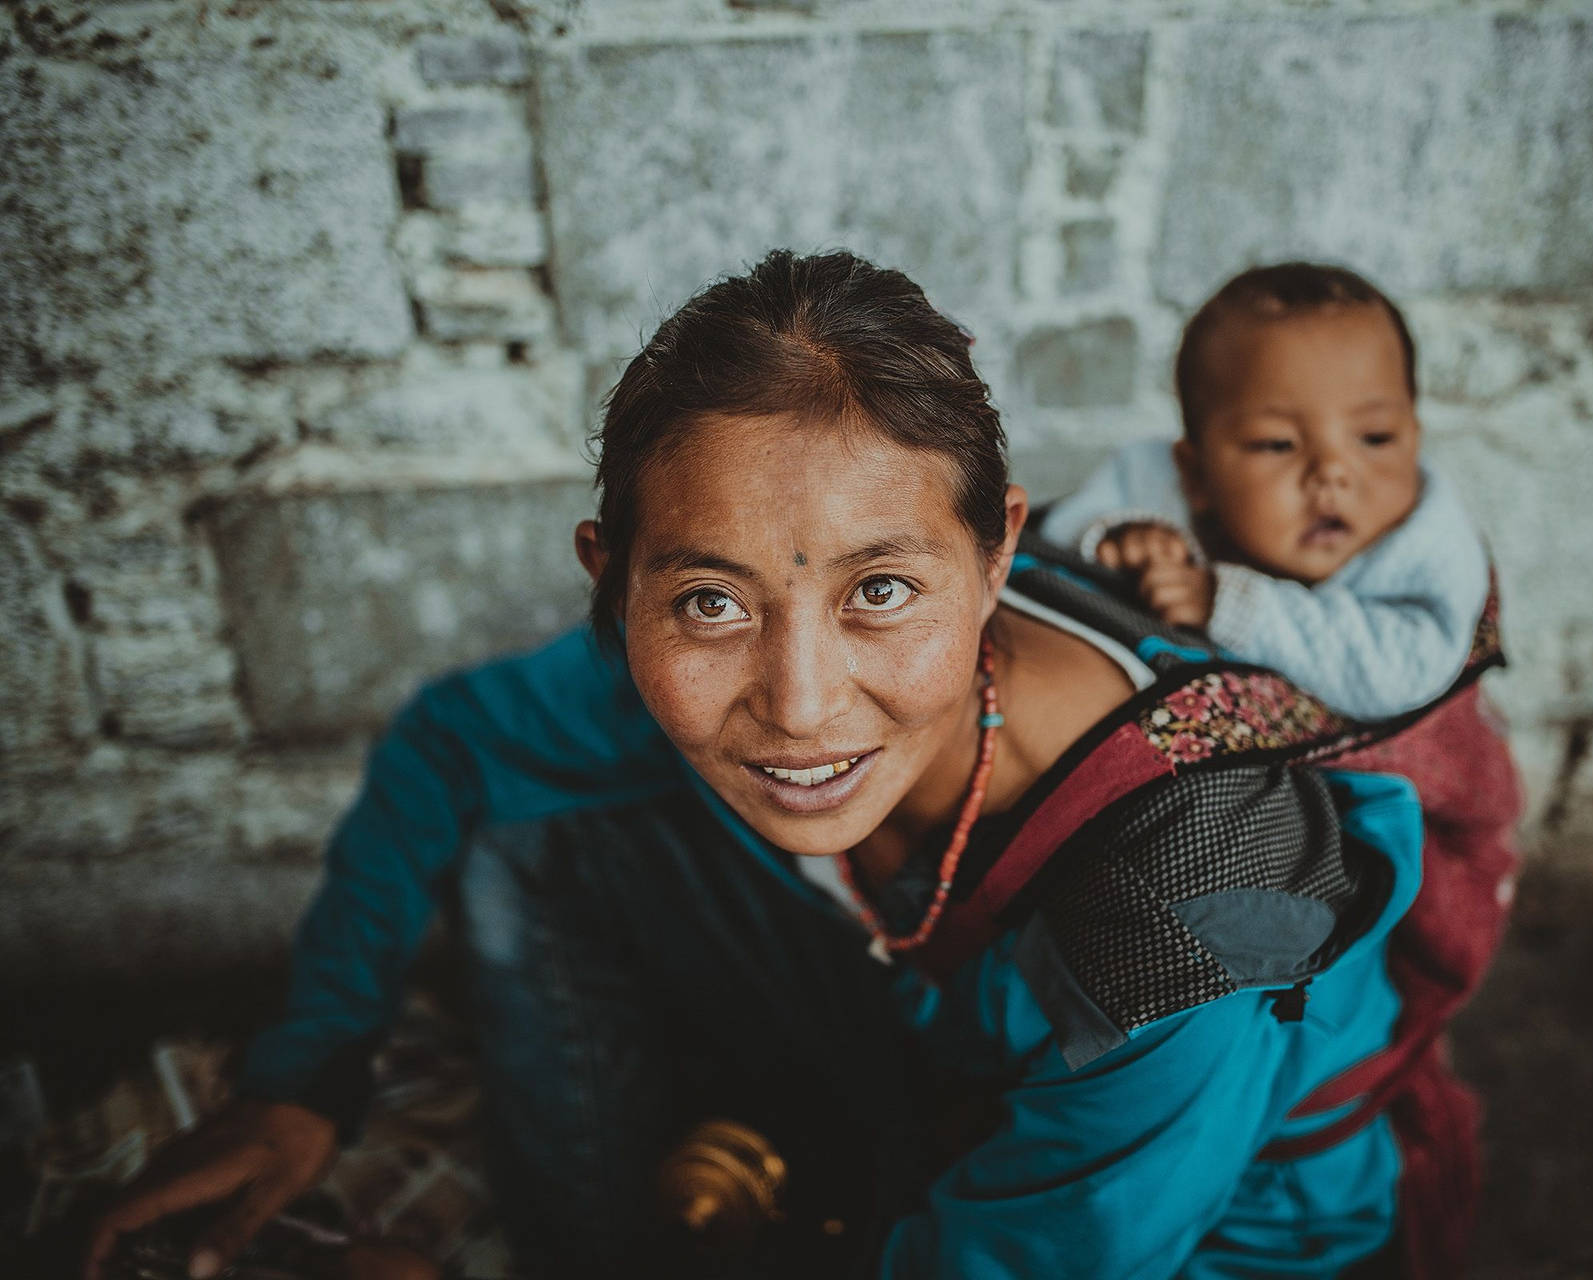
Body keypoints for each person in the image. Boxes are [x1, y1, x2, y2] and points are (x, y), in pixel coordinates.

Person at [85, 251, 1492, 1279]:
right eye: (709, 602)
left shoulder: (1202, 907)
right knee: (534, 840)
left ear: (1001, 553)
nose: (800, 705)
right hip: (939, 1037)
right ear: (619, 580)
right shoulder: (706, 651)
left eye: (884, 591)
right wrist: (306, 1080)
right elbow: (451, 745)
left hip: (1169, 1227)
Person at [1041, 262, 1525, 1274]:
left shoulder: (1425, 547)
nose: (1332, 472)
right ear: (1198, 464)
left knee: (1316, 1072)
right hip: (1233, 837)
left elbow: (1404, 668)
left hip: (1377, 843)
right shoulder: (1159, 481)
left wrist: (1225, 601)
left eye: (1375, 436)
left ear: (1416, 437)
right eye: (1274, 443)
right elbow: (1068, 530)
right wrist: (1119, 541)